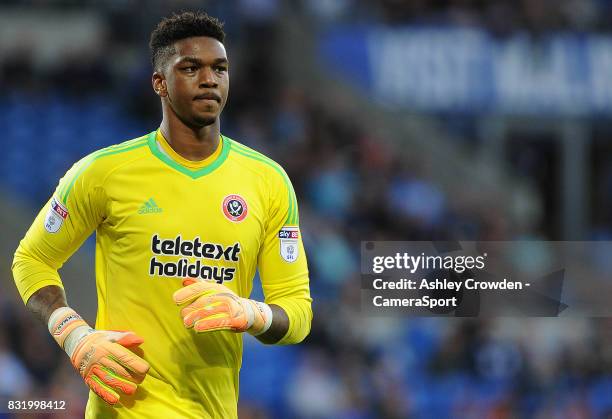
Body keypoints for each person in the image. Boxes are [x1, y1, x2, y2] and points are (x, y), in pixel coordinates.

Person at [12, 11, 312, 418]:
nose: (209, 79)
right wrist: (75, 336)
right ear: (159, 83)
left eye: (219, 68)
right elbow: (31, 259)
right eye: (191, 68)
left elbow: (297, 313)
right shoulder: (104, 173)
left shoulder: (268, 181)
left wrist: (249, 312)